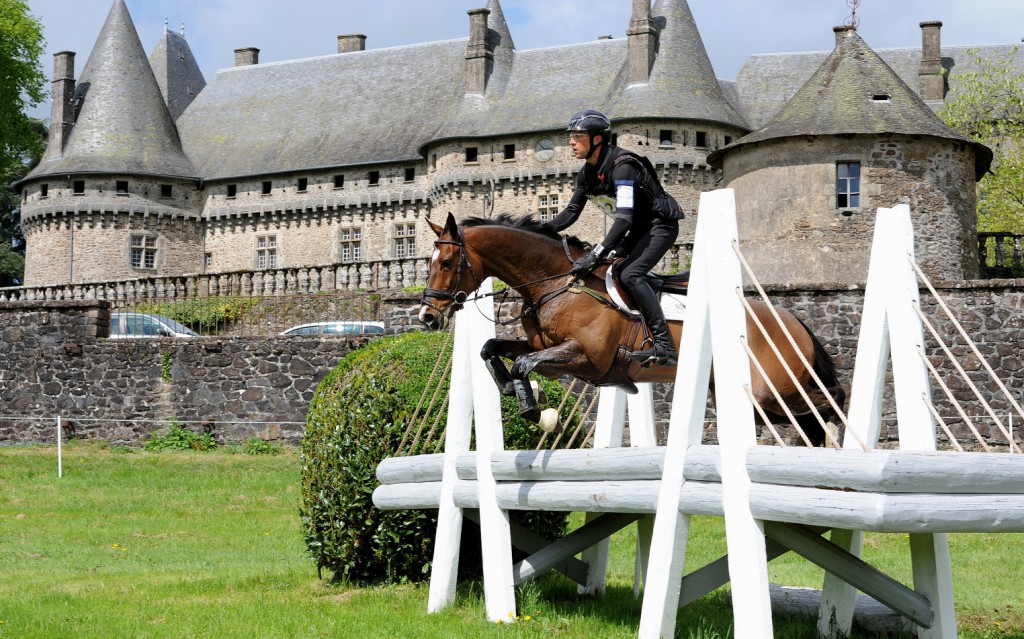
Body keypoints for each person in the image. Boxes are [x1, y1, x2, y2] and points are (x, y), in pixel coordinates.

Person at [545, 109, 679, 367]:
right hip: (639, 229)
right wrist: (539, 230)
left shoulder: (623, 167)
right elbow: (571, 213)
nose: (571, 142)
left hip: (660, 226)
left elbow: (624, 219)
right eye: (571, 137)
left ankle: (665, 345)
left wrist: (597, 252)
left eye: (578, 137)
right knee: (608, 270)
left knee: (631, 275)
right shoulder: (586, 173)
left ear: (597, 139)